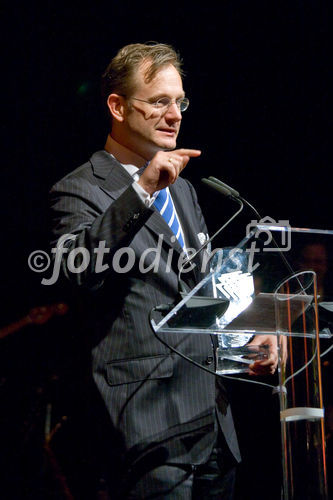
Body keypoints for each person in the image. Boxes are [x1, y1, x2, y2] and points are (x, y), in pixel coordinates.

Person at [50, 42, 277, 499]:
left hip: (213, 425)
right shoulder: (79, 188)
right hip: (145, 429)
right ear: (117, 106)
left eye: (179, 102)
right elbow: (78, 270)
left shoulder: (185, 192)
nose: (174, 115)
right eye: (158, 102)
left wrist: (256, 327)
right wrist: (143, 189)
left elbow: (202, 290)